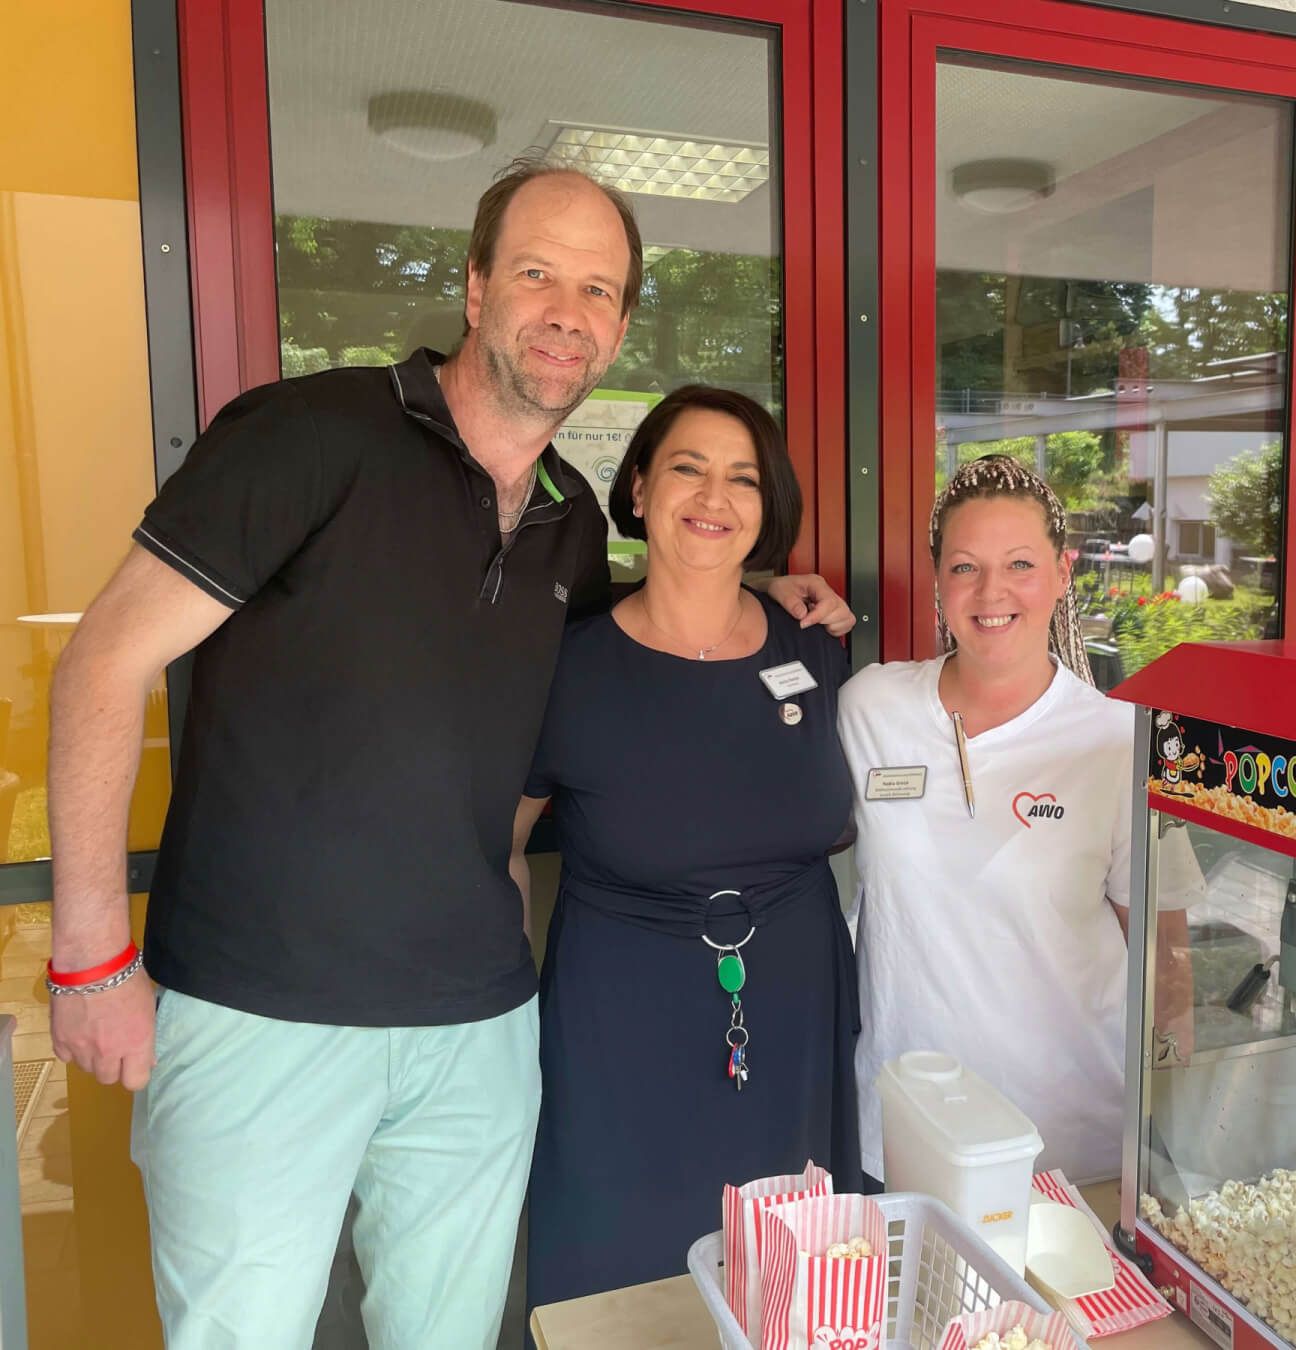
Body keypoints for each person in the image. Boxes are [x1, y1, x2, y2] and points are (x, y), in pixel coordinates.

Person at [46, 158, 849, 1349]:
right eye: (537, 275)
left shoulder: (571, 524)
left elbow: (654, 634)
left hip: (475, 1029)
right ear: (475, 286)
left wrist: (761, 580)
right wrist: (90, 958)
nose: (566, 312)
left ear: (621, 323)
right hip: (265, 1013)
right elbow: (102, 664)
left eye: (597, 290)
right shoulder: (309, 436)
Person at [515, 384, 859, 1305]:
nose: (715, 498)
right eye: (688, 469)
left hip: (793, 1012)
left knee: (791, 1280)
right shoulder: (568, 664)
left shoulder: (813, 646)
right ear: (637, 488)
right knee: (622, 1277)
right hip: (619, 1025)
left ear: (768, 505)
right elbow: (499, 847)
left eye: (742, 478)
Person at [838, 455, 1196, 1185]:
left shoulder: (1121, 742)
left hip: (1070, 1151)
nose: (991, 592)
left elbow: (1166, 957)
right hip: (905, 1136)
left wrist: (1170, 1134)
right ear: (938, 581)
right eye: (965, 567)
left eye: (1020, 564)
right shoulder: (870, 707)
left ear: (1063, 574)